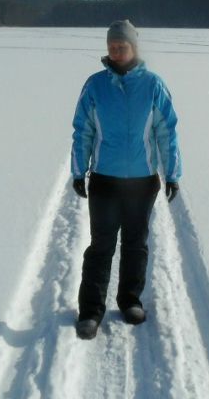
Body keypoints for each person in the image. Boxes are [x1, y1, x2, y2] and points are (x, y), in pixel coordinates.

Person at [70, 19, 182, 340]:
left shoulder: (153, 85)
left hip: (142, 182)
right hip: (104, 180)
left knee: (135, 243)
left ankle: (130, 300)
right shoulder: (95, 86)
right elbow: (83, 130)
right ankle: (91, 310)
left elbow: (167, 132)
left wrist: (172, 174)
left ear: (134, 47)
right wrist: (78, 171)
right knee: (101, 246)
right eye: (112, 47)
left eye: (121, 46)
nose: (116, 51)